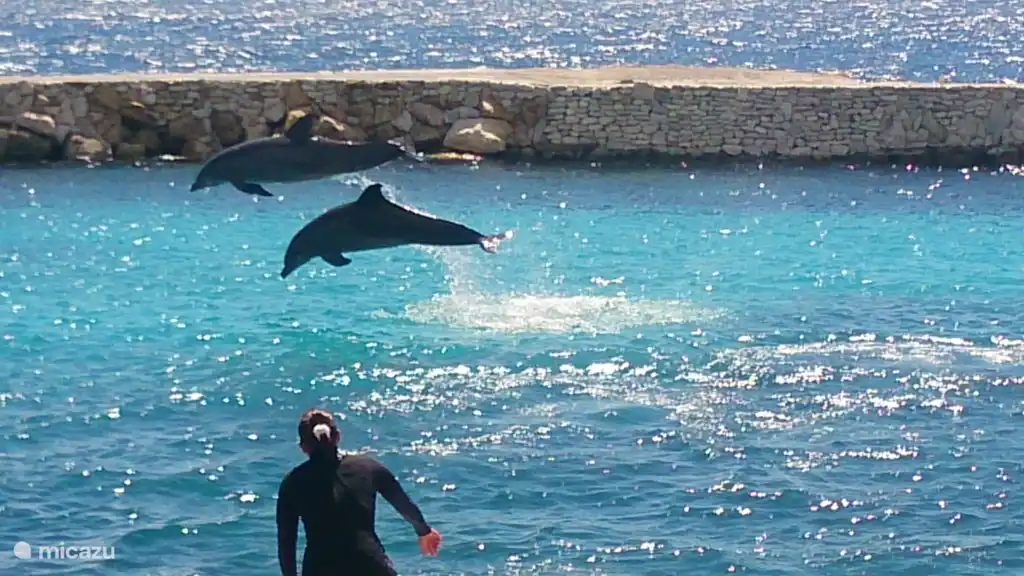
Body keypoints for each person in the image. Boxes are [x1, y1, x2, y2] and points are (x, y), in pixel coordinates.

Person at [276, 408, 442, 576]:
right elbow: (402, 503)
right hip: (371, 565)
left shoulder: (292, 482)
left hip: (320, 569)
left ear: (303, 447)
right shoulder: (368, 467)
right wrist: (424, 531)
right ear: (337, 436)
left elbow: (286, 542)